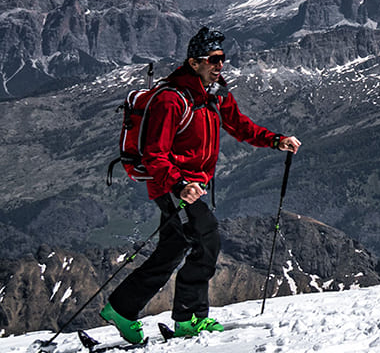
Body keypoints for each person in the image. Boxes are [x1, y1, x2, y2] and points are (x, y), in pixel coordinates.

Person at [98, 27, 302, 344]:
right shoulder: (171, 100)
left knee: (173, 248)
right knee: (206, 239)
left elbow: (241, 127)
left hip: (189, 185)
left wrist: (277, 140)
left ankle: (123, 310)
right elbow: (154, 154)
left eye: (222, 59)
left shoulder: (214, 94)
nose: (220, 65)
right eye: (214, 59)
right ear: (194, 62)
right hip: (171, 186)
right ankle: (188, 319)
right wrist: (179, 185)